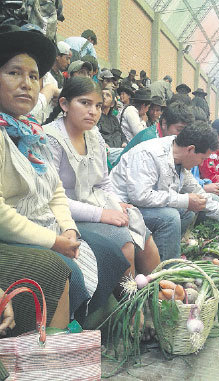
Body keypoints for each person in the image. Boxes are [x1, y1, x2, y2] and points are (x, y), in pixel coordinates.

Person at [0, 25, 101, 328]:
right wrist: (53, 241)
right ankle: (52, 356)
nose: (26, 84)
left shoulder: (31, 131)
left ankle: (82, 332)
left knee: (109, 250)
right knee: (57, 268)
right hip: (11, 235)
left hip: (46, 226)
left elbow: (55, 189)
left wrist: (68, 230)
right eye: (14, 73)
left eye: (33, 77)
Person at [44, 77, 160, 299]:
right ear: (64, 104)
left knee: (143, 233)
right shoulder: (51, 138)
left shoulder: (94, 135)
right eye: (85, 103)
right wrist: (102, 214)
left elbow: (103, 182)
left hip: (95, 204)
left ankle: (160, 298)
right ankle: (131, 313)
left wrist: (116, 205)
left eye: (97, 105)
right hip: (65, 216)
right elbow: (53, 198)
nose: (93, 112)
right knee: (123, 241)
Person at [110, 122, 219, 261]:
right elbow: (140, 196)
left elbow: (198, 192)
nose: (201, 164)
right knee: (170, 216)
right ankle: (166, 267)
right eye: (202, 158)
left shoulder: (179, 160)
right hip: (122, 206)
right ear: (190, 149)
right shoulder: (150, 154)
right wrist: (185, 200)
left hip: (145, 205)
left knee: (189, 210)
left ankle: (166, 253)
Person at [97, 88, 127, 165]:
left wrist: (124, 142)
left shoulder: (114, 118)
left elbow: (122, 134)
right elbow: (94, 135)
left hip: (119, 149)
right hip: (107, 152)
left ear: (112, 104)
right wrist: (102, 145)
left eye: (107, 95)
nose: (104, 97)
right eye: (102, 94)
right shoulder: (96, 117)